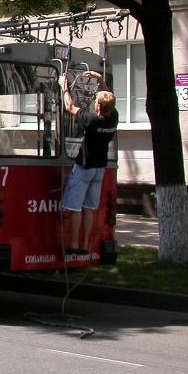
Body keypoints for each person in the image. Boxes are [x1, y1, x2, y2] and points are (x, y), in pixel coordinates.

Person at [59, 70, 118, 257]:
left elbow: (69, 107)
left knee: (75, 208)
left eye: (96, 101)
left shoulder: (91, 119)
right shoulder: (113, 118)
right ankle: (85, 245)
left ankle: (75, 244)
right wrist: (100, 79)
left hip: (84, 168)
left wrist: (64, 88)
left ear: (98, 106)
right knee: (89, 208)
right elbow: (110, 98)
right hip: (99, 170)